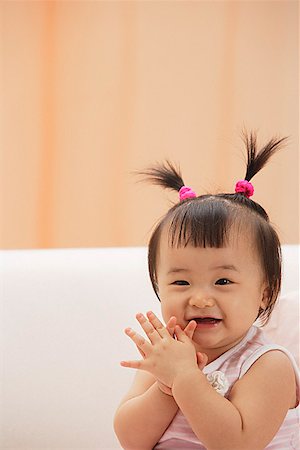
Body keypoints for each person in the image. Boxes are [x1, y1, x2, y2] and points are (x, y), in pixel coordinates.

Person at [113, 131, 299, 450]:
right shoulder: (167, 353)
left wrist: (185, 378)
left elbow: (236, 443)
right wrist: (165, 387)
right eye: (181, 282)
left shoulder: (268, 365)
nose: (199, 298)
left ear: (265, 293)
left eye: (223, 281)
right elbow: (132, 440)